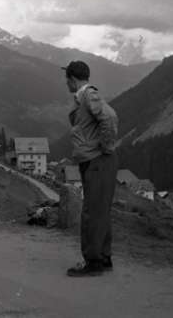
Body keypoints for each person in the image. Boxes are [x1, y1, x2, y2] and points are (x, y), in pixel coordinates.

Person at [62, 61, 118, 277]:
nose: (65, 83)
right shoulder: (83, 97)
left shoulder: (88, 94)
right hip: (95, 161)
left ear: (72, 79)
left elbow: (109, 118)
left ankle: (93, 263)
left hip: (98, 161)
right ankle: (104, 258)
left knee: (92, 212)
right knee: (100, 210)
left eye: (66, 79)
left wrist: (105, 146)